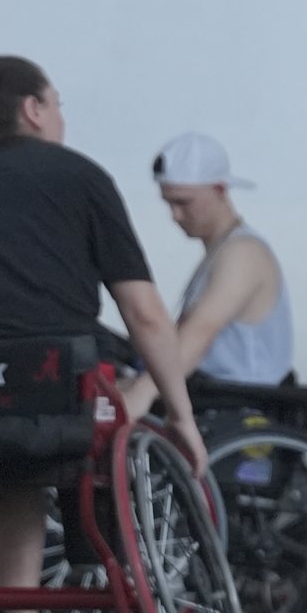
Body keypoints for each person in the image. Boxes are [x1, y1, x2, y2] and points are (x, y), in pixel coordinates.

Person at [0, 57, 209, 613]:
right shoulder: (80, 177)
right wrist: (182, 416)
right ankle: (89, 587)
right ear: (33, 109)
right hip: (57, 395)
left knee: (4, 467)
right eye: (56, 103)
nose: (62, 116)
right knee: (54, 445)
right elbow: (144, 312)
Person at [115, 135, 293, 424]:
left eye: (183, 202)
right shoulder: (222, 250)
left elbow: (200, 333)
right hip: (213, 395)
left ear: (220, 189)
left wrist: (142, 392)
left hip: (238, 408)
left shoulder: (243, 253)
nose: (175, 215)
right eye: (169, 203)